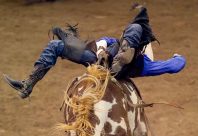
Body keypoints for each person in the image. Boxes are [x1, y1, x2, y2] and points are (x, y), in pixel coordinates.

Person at [4, 4, 186, 99]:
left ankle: (28, 84)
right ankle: (123, 55)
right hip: (121, 64)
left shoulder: (115, 41)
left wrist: (100, 54)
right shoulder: (146, 65)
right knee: (134, 32)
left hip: (100, 60)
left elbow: (102, 42)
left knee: (54, 46)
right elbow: (173, 66)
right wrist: (179, 57)